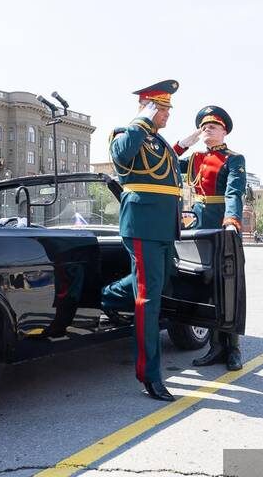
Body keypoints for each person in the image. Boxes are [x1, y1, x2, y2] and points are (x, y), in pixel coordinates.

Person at [101, 79, 182, 402]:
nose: (166, 115)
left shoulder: (158, 142)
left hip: (164, 227)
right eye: (161, 108)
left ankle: (107, 296)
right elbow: (121, 158)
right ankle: (149, 375)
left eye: (166, 109)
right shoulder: (127, 133)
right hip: (143, 225)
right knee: (148, 301)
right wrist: (142, 119)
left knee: (157, 286)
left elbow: (172, 175)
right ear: (147, 106)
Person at [173, 105, 247, 371]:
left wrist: (231, 223)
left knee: (230, 285)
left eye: (212, 126)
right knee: (207, 286)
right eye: (203, 127)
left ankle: (233, 348)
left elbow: (234, 193)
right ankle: (215, 347)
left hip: (222, 225)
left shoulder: (234, 159)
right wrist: (184, 143)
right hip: (201, 224)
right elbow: (165, 161)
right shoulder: (194, 159)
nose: (207, 130)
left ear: (224, 131)